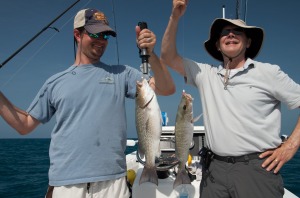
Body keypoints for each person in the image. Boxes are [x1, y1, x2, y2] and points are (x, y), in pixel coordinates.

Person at [0, 8, 175, 198]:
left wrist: (152, 54)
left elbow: (167, 89)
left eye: (106, 36)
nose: (101, 41)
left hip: (113, 183)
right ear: (77, 34)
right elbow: (24, 125)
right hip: (67, 185)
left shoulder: (121, 74)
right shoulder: (55, 82)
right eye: (95, 33)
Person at [161, 1, 300, 198]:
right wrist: (175, 17)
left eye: (238, 32)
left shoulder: (269, 72)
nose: (231, 34)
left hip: (256, 171)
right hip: (214, 171)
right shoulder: (205, 74)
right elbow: (167, 56)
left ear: (249, 42)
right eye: (225, 32)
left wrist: (291, 145)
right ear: (217, 45)